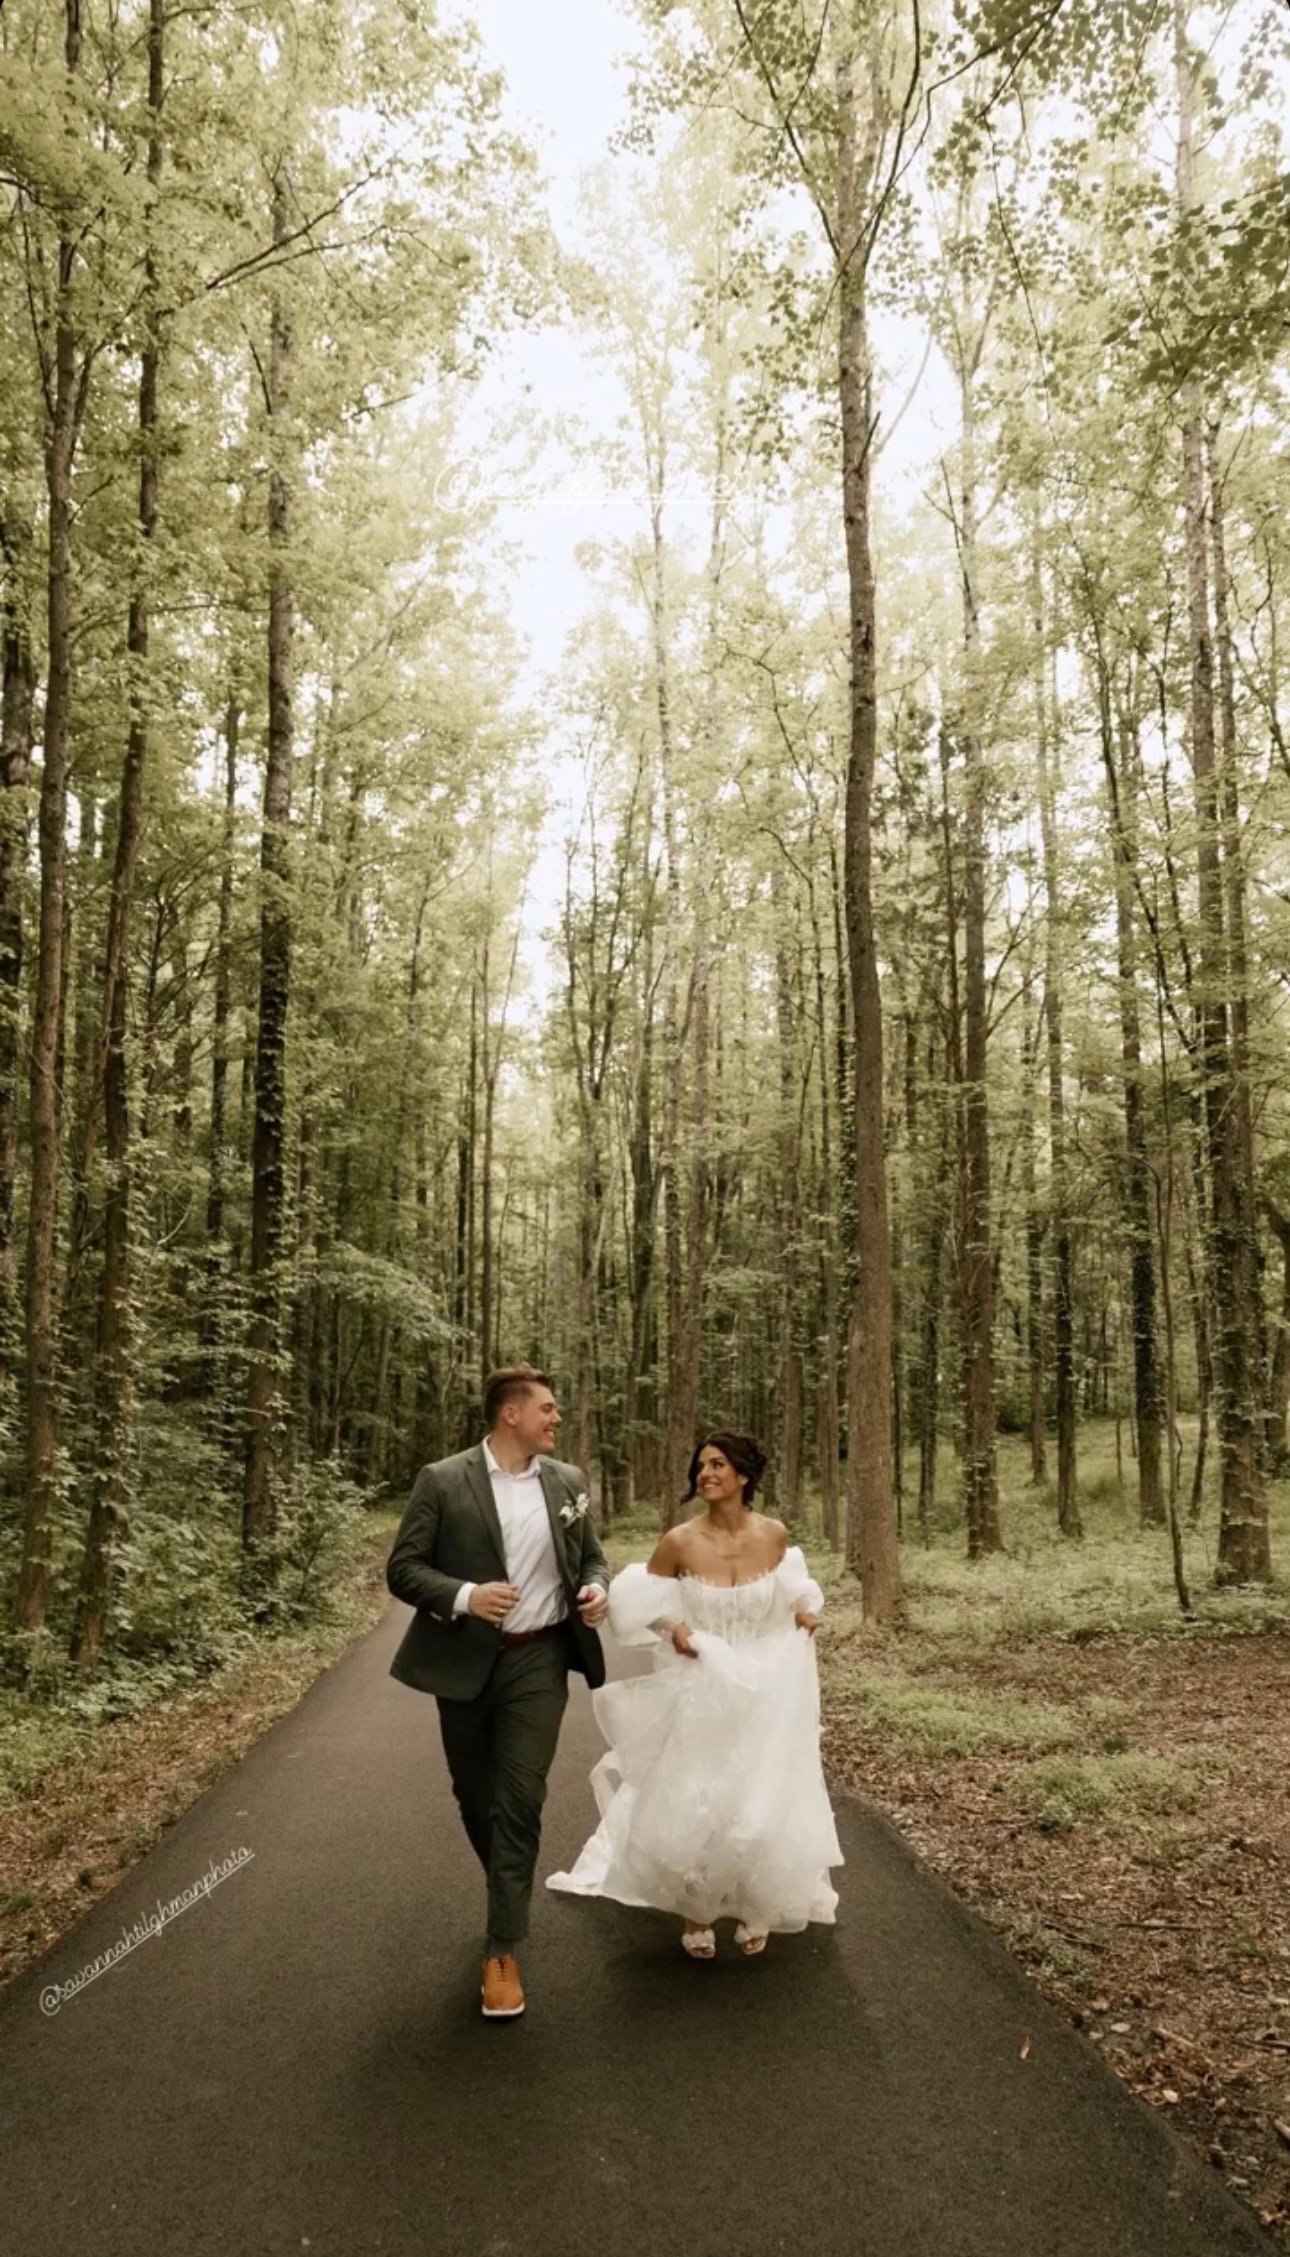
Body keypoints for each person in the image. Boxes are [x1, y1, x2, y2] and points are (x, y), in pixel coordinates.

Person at [546, 1430, 842, 1957]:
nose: (705, 1473)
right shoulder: (679, 1541)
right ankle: (698, 1910)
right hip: (702, 1685)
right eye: (700, 1465)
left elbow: (792, 1589)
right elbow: (635, 1604)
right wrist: (672, 1626)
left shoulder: (773, 1535)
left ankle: (757, 1903)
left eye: (717, 1464)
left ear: (744, 1477)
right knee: (698, 1798)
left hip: (763, 1684)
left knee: (760, 1797)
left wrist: (803, 1611)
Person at [386, 1365, 610, 2019]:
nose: (557, 1417)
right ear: (509, 1414)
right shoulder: (443, 1478)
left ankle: (502, 1947)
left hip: (539, 1659)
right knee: (475, 1795)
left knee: (519, 1798)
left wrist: (597, 1589)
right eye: (547, 1406)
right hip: (463, 1662)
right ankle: (506, 1883)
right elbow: (403, 1567)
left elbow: (591, 1556)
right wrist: (465, 1595)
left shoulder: (567, 1482)